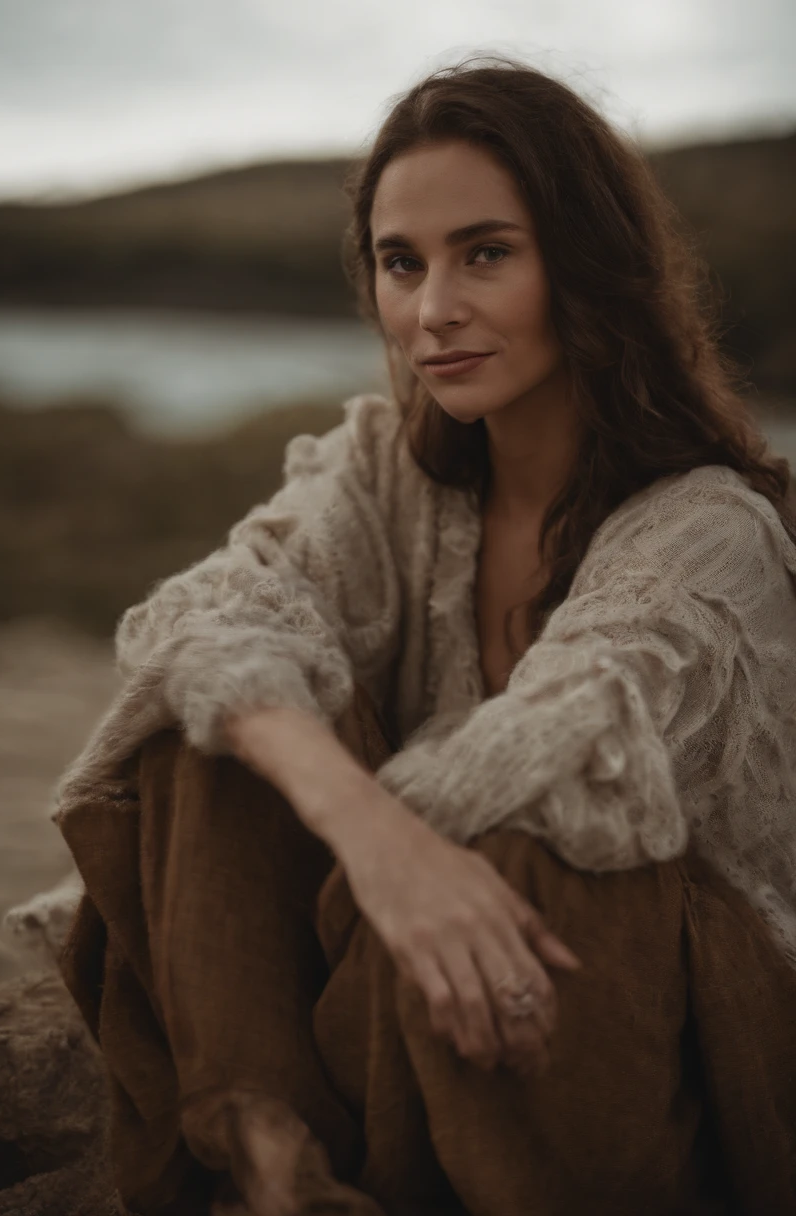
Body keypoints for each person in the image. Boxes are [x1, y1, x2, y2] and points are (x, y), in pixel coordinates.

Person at [52, 57, 796, 1216]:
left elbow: (556, 747)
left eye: (484, 253)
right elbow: (194, 621)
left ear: (585, 267)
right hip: (395, 981)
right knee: (211, 724)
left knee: (531, 845)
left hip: (640, 1027)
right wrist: (377, 843)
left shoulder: (711, 531)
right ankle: (272, 1163)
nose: (431, 308)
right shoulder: (384, 475)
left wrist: (388, 842)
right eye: (402, 264)